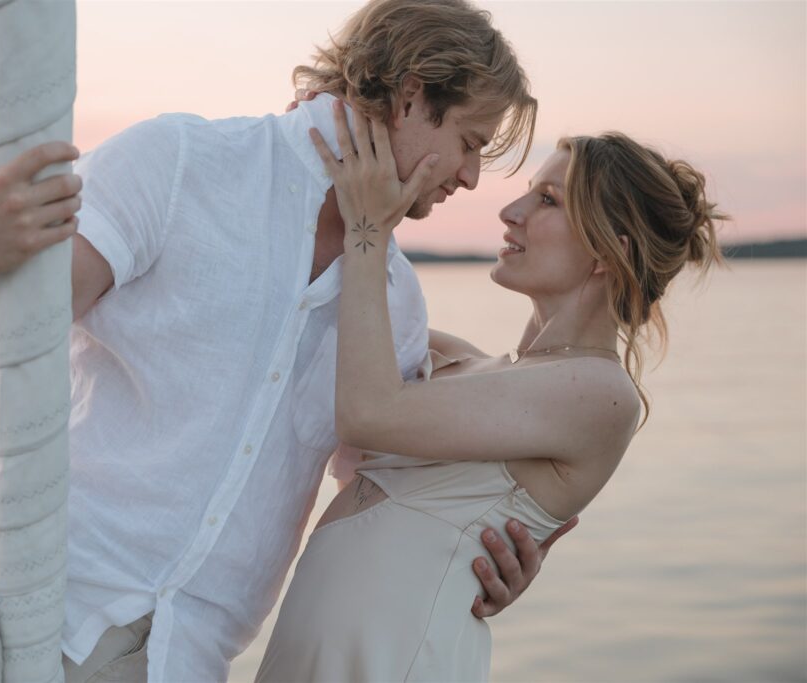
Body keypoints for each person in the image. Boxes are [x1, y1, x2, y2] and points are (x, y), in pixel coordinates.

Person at [0, 1, 563, 681]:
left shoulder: (396, 304)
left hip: (176, 661)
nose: (472, 177)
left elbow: (377, 504)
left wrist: (483, 555)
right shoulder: (181, 163)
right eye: (469, 143)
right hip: (16, 590)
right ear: (410, 98)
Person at [255, 103, 725, 681]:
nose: (510, 211)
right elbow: (314, 316)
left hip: (397, 662)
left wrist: (369, 229)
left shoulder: (602, 394)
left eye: (547, 200)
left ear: (610, 252)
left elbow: (367, 412)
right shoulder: (460, 364)